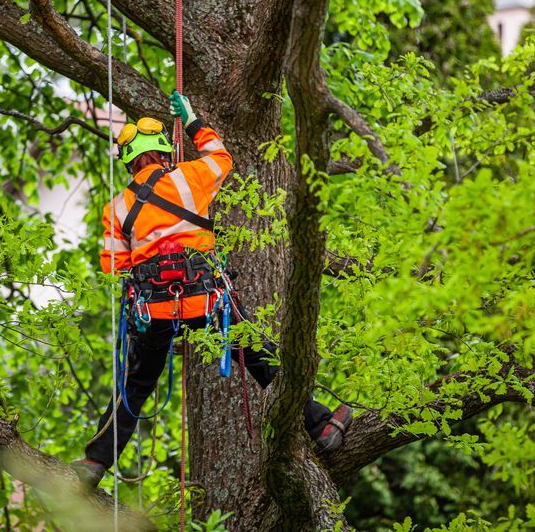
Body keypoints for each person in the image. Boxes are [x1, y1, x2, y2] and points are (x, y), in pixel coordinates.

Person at [71, 92, 352, 487]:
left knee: (134, 387)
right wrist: (192, 121)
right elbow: (222, 157)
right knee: (260, 358)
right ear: (164, 153)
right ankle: (321, 427)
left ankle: (94, 464)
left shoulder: (117, 207)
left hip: (155, 312)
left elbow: (113, 265)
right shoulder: (190, 177)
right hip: (206, 301)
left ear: (129, 160)